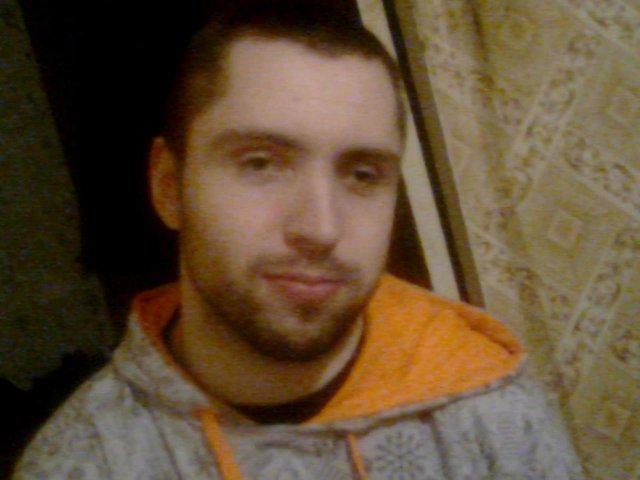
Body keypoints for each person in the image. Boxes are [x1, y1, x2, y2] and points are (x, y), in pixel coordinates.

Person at [13, 2, 584, 479]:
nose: (321, 228)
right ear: (168, 187)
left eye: (363, 174)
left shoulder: (496, 416)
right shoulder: (82, 462)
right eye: (260, 163)